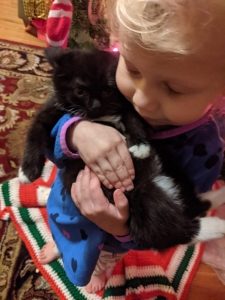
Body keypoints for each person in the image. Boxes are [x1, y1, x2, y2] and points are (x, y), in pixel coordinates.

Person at [39, 0, 225, 294]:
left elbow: (172, 219)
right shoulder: (105, 78)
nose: (141, 100)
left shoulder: (203, 152)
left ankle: (98, 263)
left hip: (115, 234)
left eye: (174, 89)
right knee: (62, 221)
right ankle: (63, 239)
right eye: (133, 70)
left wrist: (120, 229)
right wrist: (76, 131)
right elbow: (47, 131)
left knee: (99, 256)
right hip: (68, 196)